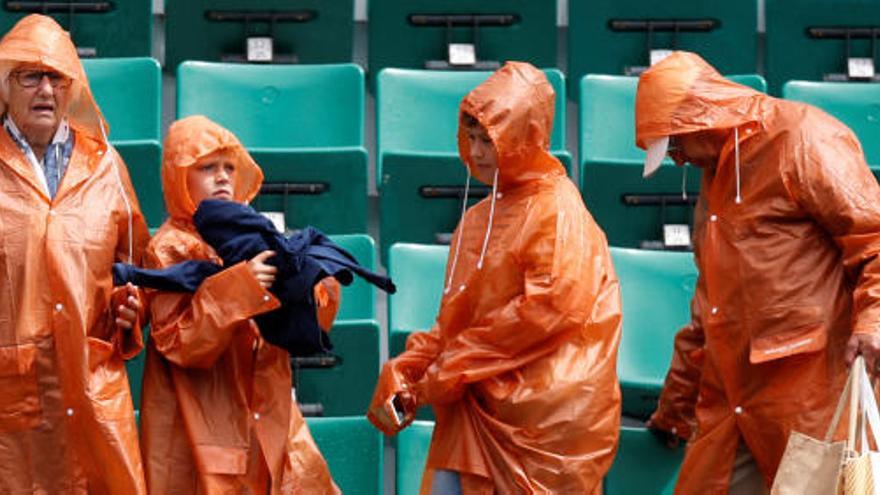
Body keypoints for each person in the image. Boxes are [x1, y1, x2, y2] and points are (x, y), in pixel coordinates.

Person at [368, 61, 622, 494]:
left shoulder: (557, 210)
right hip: (476, 407)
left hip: (541, 421)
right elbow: (456, 318)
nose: (479, 151)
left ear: (527, 138)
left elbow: (549, 310)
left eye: (490, 139)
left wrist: (451, 366)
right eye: (472, 138)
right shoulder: (478, 218)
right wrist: (410, 368)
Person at [637, 51, 880, 494]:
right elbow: (710, 309)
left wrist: (873, 321)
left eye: (674, 145)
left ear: (699, 121)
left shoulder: (803, 139)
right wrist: (675, 407)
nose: (676, 160)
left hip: (808, 390)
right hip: (735, 398)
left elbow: (874, 237)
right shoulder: (716, 175)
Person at [140, 115, 340, 494]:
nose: (222, 177)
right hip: (201, 435)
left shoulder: (257, 235)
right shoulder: (168, 247)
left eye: (229, 167)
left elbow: (302, 331)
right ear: (179, 176)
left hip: (272, 425)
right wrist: (240, 287)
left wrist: (315, 285)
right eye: (207, 167)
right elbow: (179, 344)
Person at [0, 14, 150, 493]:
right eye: (30, 75)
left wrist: (134, 310)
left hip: (93, 389)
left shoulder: (106, 166)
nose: (45, 88)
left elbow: (140, 271)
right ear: (6, 85)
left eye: (56, 76)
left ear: (72, 87)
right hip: (13, 397)